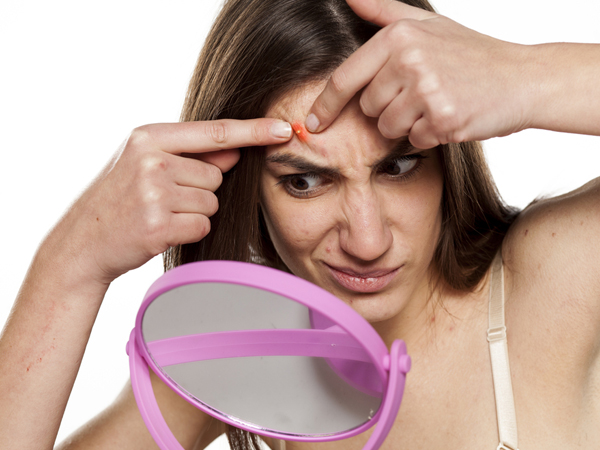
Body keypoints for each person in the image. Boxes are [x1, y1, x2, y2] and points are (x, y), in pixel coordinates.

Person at [1, 0, 599, 448]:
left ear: (446, 152)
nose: (367, 241)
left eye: (398, 167)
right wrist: (71, 264)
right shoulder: (250, 353)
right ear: (243, 185)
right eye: (305, 181)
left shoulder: (550, 284)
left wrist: (529, 76)